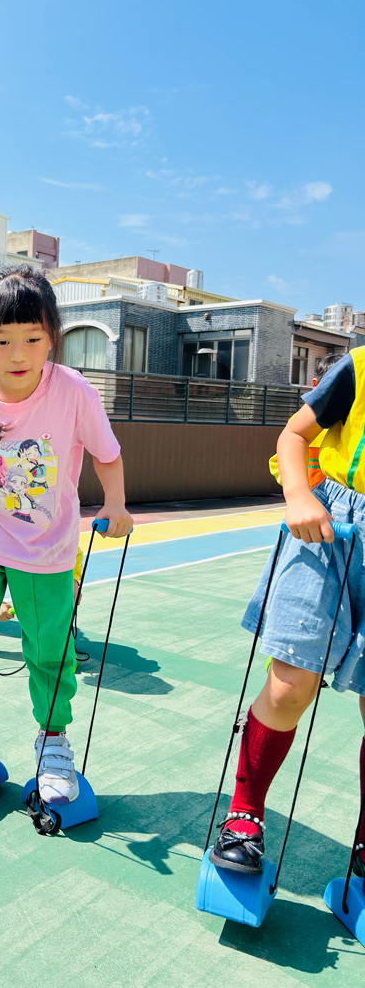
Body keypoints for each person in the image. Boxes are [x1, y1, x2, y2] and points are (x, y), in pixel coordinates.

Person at [0, 264, 132, 805]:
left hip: (46, 547)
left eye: (33, 339)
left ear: (52, 338)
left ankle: (53, 739)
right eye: (3, 341)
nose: (18, 354)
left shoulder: (73, 391)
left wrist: (115, 503)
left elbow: (107, 453)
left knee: (48, 649)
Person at [211, 348, 365, 878]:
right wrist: (299, 493)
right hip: (328, 528)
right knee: (289, 684)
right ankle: (244, 813)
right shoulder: (359, 367)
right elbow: (293, 436)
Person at [268, 353, 341, 488]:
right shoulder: (300, 422)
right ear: (315, 384)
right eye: (332, 388)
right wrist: (298, 491)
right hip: (309, 495)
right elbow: (279, 462)